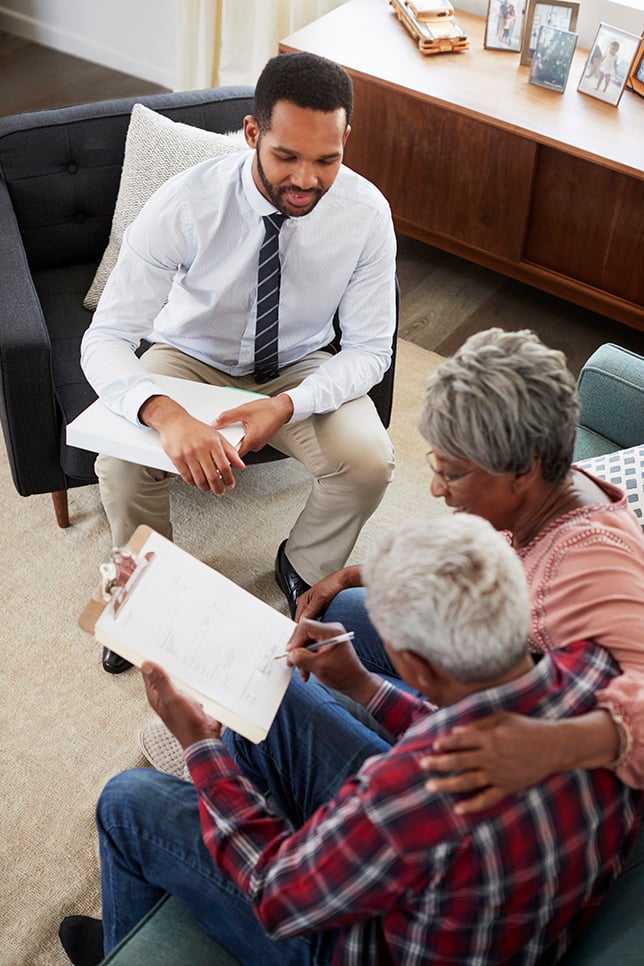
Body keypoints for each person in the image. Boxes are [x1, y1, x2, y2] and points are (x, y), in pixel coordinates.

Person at [59, 515, 642, 965]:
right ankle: (262, 819)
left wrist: (200, 749)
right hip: (491, 901)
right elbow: (470, 726)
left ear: (418, 666)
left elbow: (276, 892)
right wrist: (365, 686)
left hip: (361, 945)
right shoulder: (596, 678)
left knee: (127, 803)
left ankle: (123, 945)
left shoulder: (406, 796)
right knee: (275, 690)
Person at [80, 52, 397, 672]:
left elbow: (369, 349)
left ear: (345, 141)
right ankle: (141, 596)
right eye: (287, 156)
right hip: (189, 357)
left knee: (369, 462)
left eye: (326, 159)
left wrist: (287, 405)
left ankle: (302, 566)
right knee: (119, 463)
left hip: (299, 365)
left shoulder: (366, 215)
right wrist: (164, 412)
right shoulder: (184, 202)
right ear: (253, 134)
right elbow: (106, 337)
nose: (306, 179)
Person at [296, 327, 644, 810]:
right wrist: (358, 573)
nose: (437, 489)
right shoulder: (547, 496)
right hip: (495, 690)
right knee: (349, 610)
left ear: (524, 470)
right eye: (435, 465)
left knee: (296, 698)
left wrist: (537, 746)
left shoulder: (593, 564)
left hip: (517, 775)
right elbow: (483, 564)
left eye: (453, 473)